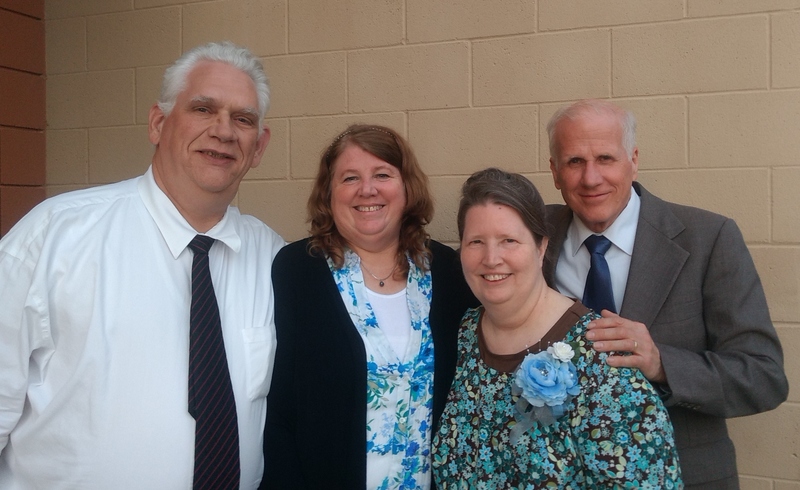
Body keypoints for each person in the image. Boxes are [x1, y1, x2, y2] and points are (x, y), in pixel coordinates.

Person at [0, 42, 284, 489]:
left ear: (259, 146)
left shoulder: (274, 262)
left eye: (243, 119)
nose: (224, 131)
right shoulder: (56, 236)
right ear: (158, 123)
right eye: (203, 109)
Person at [543, 99, 789, 489]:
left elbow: (764, 377)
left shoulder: (709, 239)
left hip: (682, 476)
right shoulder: (531, 237)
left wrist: (661, 364)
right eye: (574, 162)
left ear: (633, 160)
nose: (591, 178)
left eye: (606, 158)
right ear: (554, 171)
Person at [432, 167, 682, 488]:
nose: (491, 258)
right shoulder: (466, 332)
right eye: (476, 241)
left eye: (509, 240)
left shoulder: (599, 352)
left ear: (540, 248)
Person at [262, 124, 477, 489]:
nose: (367, 189)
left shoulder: (448, 271)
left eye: (382, 174)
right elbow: (279, 407)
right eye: (349, 178)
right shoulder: (296, 270)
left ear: (406, 187)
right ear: (329, 193)